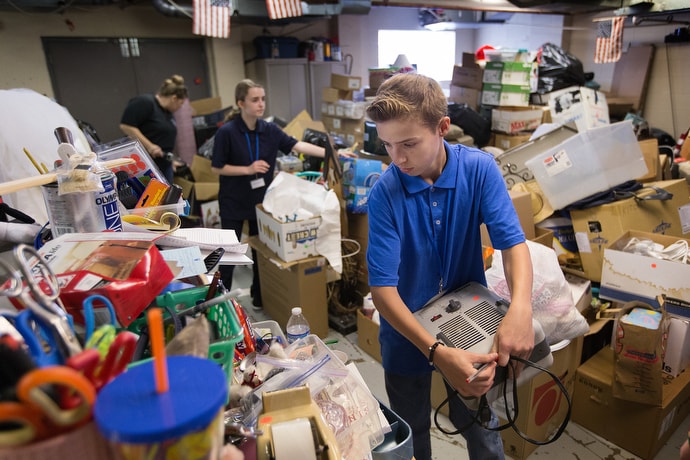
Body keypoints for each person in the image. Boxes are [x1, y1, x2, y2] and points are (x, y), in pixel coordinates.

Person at [365, 73, 535, 460]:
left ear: (442, 128)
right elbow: (383, 290)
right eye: (388, 145)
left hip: (469, 323)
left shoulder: (479, 170)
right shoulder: (386, 193)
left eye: (409, 143)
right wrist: (437, 352)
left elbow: (512, 244)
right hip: (408, 335)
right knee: (411, 434)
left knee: (481, 428)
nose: (398, 158)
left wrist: (521, 309)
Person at [211, 79, 354, 307]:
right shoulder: (227, 133)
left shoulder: (269, 130)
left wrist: (334, 153)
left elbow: (297, 146)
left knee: (261, 252)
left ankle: (259, 297)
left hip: (261, 202)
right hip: (233, 201)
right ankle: (219, 302)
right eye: (255, 100)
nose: (261, 104)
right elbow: (216, 166)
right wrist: (247, 169)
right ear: (240, 103)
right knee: (229, 253)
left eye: (263, 99)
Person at [120, 74, 188, 184]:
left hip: (164, 164)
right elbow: (126, 126)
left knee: (168, 199)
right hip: (145, 165)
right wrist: (150, 146)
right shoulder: (145, 102)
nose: (180, 108)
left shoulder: (167, 112)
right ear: (174, 98)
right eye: (180, 104)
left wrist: (169, 161)